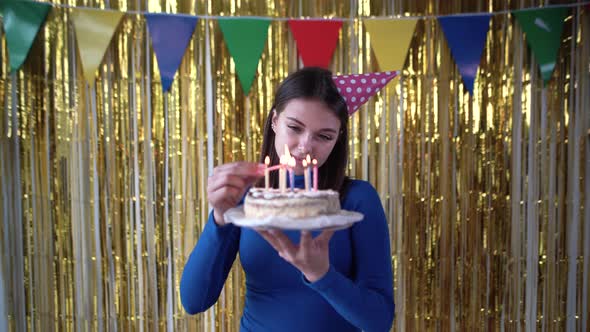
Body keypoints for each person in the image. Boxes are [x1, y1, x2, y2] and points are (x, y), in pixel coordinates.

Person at [180, 67, 394, 332]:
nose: (305, 146)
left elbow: (379, 321)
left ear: (338, 139)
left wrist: (322, 275)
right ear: (274, 121)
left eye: (324, 136)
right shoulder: (249, 195)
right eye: (294, 127)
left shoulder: (357, 199)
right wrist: (219, 219)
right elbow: (193, 301)